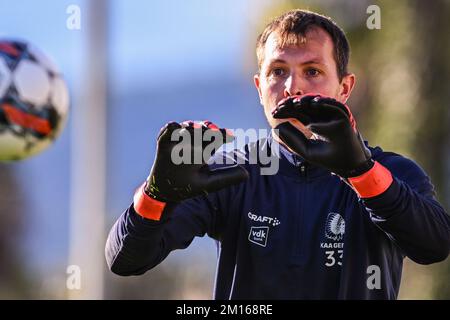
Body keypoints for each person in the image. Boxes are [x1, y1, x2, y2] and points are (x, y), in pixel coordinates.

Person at [105, 9, 450, 299]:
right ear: (259, 88)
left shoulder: (391, 171)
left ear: (344, 88)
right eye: (278, 71)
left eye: (312, 71)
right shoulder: (229, 173)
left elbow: (434, 246)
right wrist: (155, 194)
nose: (292, 87)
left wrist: (362, 172)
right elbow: (126, 260)